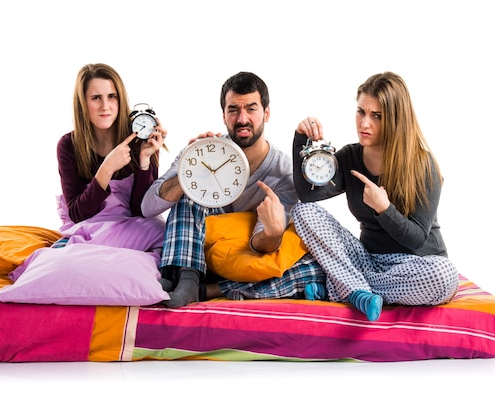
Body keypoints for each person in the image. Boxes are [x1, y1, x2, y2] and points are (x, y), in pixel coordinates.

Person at [141, 71, 325, 308]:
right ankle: (186, 279)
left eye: (251, 108)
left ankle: (203, 290)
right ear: (224, 115)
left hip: (241, 261)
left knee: (312, 268)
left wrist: (273, 233)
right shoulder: (202, 151)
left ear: (266, 113)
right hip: (194, 253)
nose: (242, 119)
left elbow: (261, 247)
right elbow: (148, 207)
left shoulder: (283, 173)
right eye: (233, 110)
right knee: (191, 192)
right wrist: (191, 170)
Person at [291, 71, 458, 321]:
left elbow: (415, 239)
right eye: (361, 112)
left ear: (396, 120)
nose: (364, 123)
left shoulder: (423, 164)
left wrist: (385, 209)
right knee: (303, 212)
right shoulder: (350, 157)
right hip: (368, 259)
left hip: (417, 264)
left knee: (445, 277)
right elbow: (308, 195)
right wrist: (300, 140)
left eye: (376, 116)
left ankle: (347, 288)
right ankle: (356, 289)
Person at [53, 62, 167, 255]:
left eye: (112, 97)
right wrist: (107, 169)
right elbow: (77, 214)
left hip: (134, 229)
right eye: (96, 98)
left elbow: (142, 211)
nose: (105, 106)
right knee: (60, 265)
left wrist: (145, 161)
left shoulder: (141, 140)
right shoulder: (69, 145)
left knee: (161, 234)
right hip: (88, 230)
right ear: (82, 102)